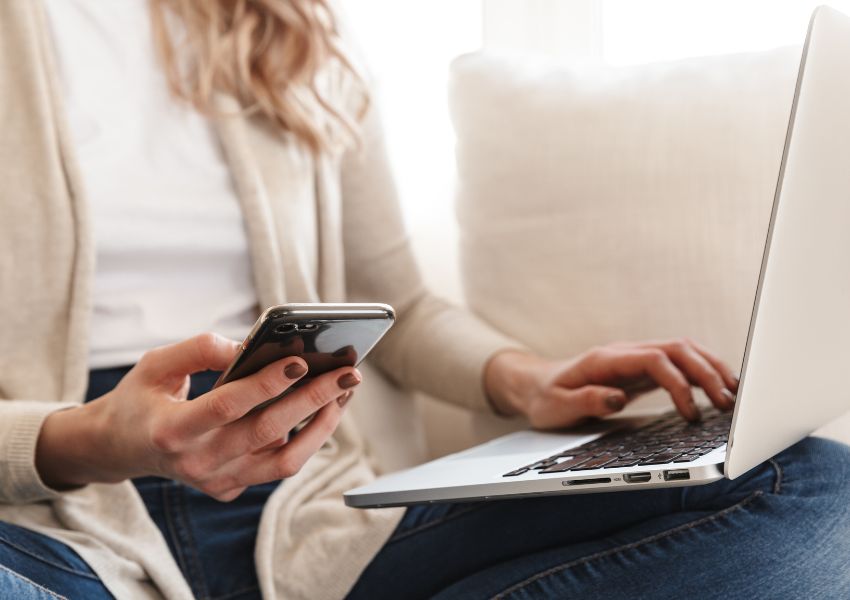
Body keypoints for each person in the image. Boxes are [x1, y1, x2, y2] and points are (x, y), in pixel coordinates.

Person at [1, 1, 848, 599]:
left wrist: (525, 380)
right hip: (56, 528)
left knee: (810, 486)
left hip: (308, 520)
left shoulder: (288, 24)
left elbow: (390, 300)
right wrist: (84, 439)